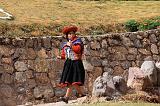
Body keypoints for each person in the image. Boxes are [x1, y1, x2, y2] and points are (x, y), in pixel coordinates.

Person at [58, 26, 85, 103]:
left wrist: (71, 46)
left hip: (76, 63)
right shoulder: (66, 44)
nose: (70, 35)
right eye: (69, 34)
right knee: (70, 81)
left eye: (72, 33)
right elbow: (64, 53)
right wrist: (61, 57)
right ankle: (69, 97)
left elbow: (78, 49)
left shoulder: (78, 41)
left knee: (74, 81)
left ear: (74, 34)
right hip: (69, 64)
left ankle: (81, 95)